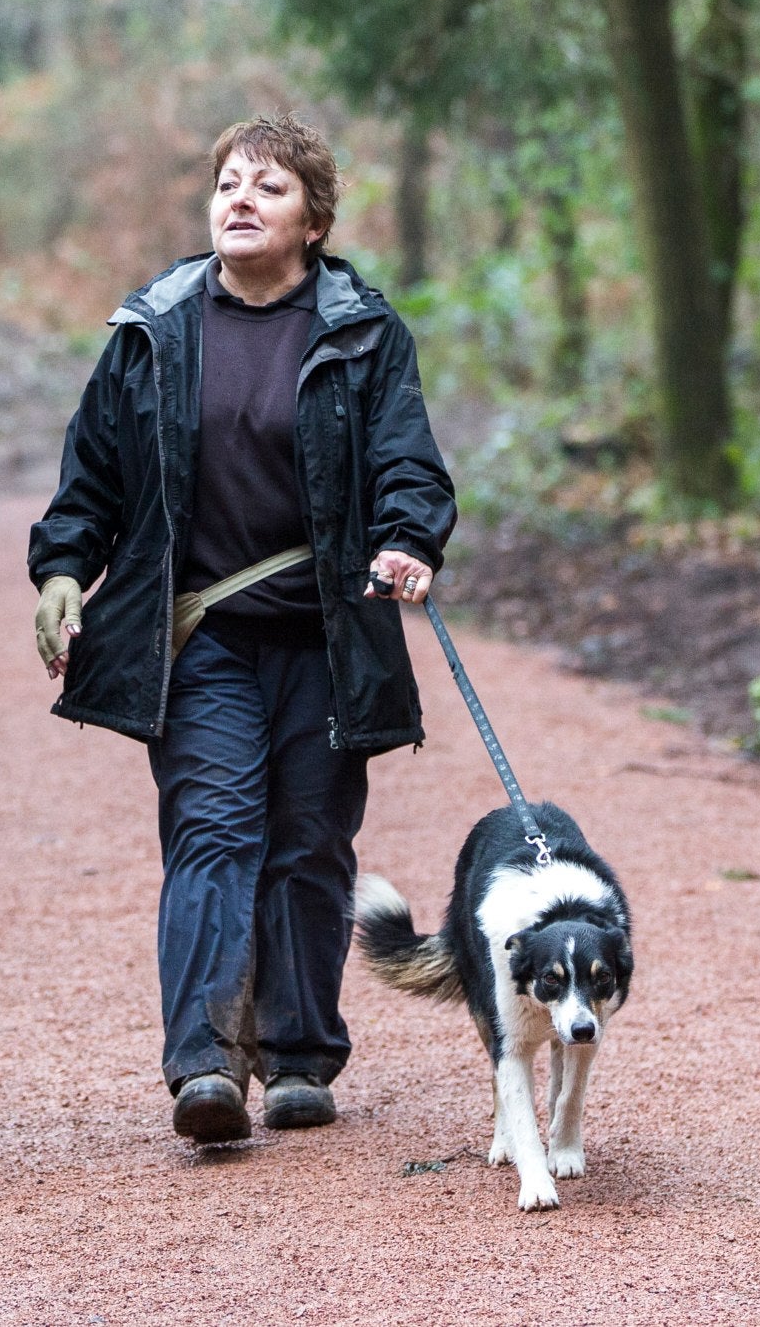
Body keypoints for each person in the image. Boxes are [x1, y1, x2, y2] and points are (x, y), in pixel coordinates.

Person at [26, 112, 456, 1142]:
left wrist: (407, 538)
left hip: (326, 634)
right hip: (203, 637)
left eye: (268, 186)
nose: (242, 200)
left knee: (310, 843)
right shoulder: (154, 330)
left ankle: (301, 1055)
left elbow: (408, 461)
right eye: (228, 183)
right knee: (214, 833)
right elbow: (93, 476)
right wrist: (61, 568)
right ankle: (208, 1064)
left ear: (313, 219)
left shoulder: (361, 331)